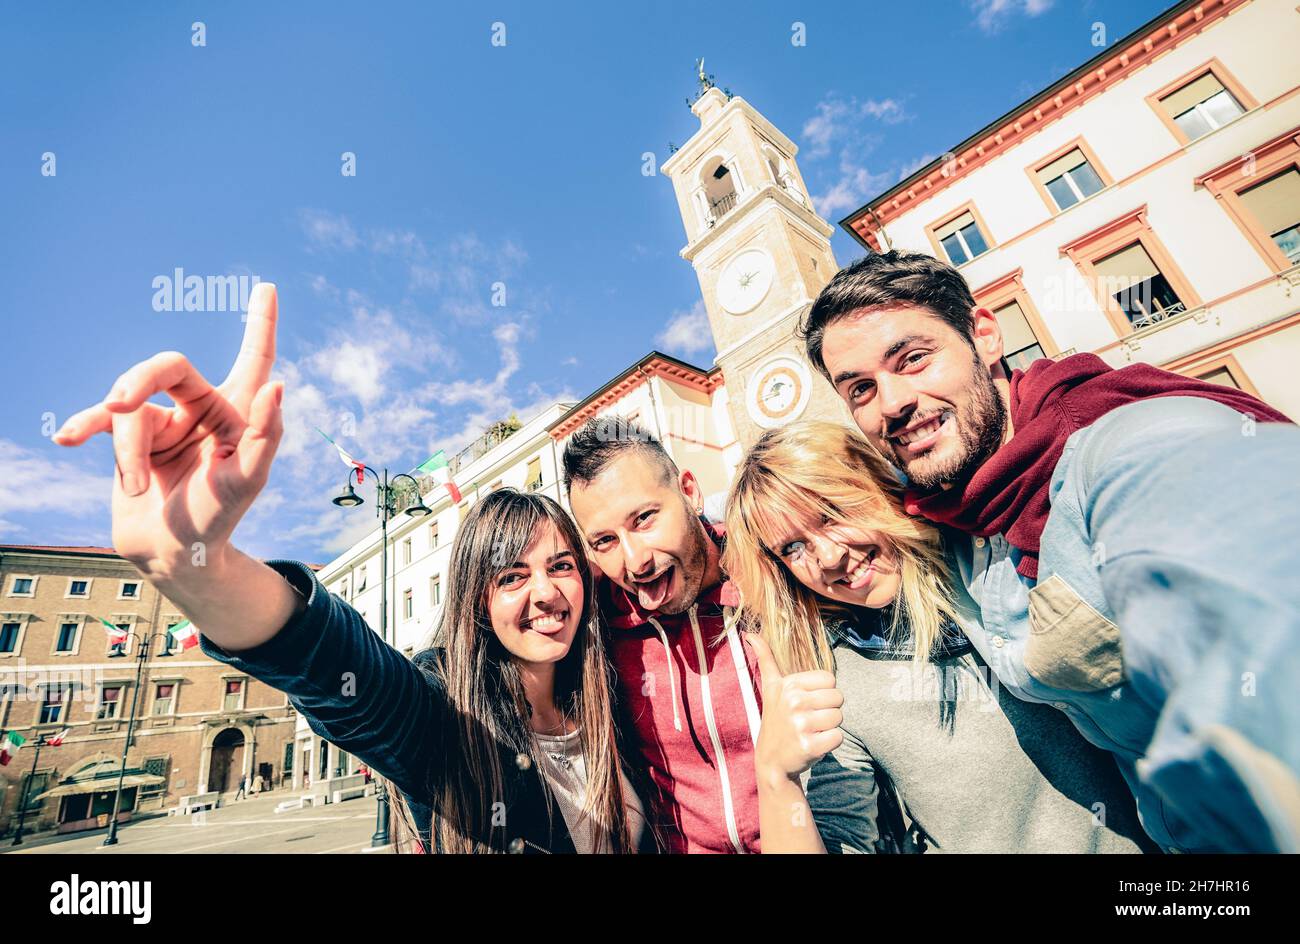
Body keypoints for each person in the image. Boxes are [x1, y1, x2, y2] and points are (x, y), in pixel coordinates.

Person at [51, 284, 648, 854]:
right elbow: (347, 674)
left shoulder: (612, 690)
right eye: (512, 576)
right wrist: (196, 567)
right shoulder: (446, 716)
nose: (545, 592)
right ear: (474, 599)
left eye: (561, 565)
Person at [799, 249, 1300, 853]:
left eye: (913, 359)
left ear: (984, 336)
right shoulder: (951, 519)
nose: (892, 403)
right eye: (860, 389)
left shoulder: (1120, 444)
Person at [724, 420, 1153, 853]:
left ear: (880, 485)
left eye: (833, 513)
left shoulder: (1011, 567)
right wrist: (777, 780)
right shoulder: (839, 678)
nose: (830, 556)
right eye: (793, 548)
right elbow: (838, 839)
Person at [564, 416, 763, 853]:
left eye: (644, 519)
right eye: (605, 541)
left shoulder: (773, 573)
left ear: (689, 492)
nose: (635, 562)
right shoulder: (596, 622)